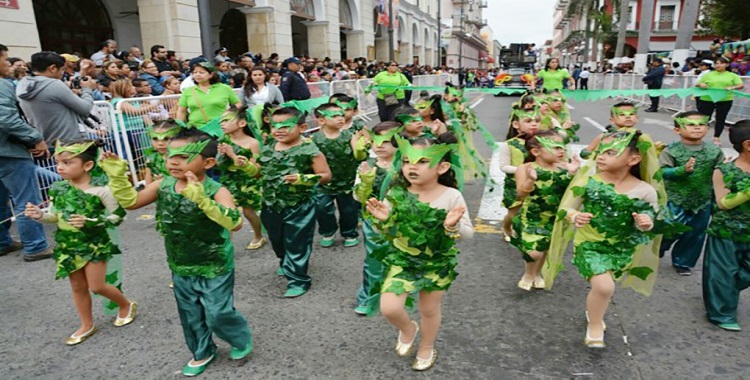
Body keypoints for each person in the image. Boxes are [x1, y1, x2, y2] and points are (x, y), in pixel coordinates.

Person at [100, 129, 254, 376]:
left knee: (217, 312)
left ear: (208, 162)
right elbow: (131, 202)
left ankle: (240, 338)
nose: (173, 161)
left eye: (183, 157)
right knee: (190, 313)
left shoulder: (216, 190)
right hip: (180, 263)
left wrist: (203, 200)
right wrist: (117, 175)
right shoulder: (164, 184)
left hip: (214, 263)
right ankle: (202, 351)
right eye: (171, 155)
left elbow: (234, 222)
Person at [365, 133, 474, 371]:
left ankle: (426, 346)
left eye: (422, 161)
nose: (412, 167)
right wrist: (383, 220)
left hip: (436, 263)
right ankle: (408, 328)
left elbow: (468, 234)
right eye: (406, 160)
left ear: (442, 166)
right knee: (390, 308)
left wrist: (452, 225)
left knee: (429, 309)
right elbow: (386, 231)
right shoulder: (396, 193)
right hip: (403, 260)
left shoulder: (451, 195)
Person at [544, 131, 659, 348]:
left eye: (611, 152)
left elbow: (651, 219)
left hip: (621, 249)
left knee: (604, 288)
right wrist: (575, 216)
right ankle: (595, 324)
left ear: (633, 159)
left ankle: (594, 311)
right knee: (605, 287)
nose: (602, 156)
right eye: (600, 151)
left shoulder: (645, 190)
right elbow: (565, 208)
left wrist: (646, 223)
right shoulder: (588, 181)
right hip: (588, 245)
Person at [24, 140, 136, 345]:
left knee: (97, 285)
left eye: (67, 162)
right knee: (77, 286)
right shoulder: (58, 189)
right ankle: (86, 324)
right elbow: (55, 217)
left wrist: (92, 222)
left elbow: (119, 217)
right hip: (67, 246)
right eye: (58, 162)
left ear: (88, 165)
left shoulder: (101, 190)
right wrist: (39, 215)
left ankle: (126, 304)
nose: (59, 167)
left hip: (94, 244)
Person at [260, 107, 331, 298]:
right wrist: (242, 163)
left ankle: (298, 279)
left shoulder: (309, 149)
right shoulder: (268, 147)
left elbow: (325, 175)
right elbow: (260, 172)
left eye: (286, 125)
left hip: (299, 205)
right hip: (271, 204)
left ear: (302, 127)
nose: (279, 130)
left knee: (297, 242)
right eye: (275, 125)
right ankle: (285, 261)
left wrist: (303, 179)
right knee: (277, 239)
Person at [0, 43, 53, 261]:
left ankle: (3, 241)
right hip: (9, 151)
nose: (8, 64)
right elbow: (6, 118)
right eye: (5, 59)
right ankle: (35, 245)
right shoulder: (2, 85)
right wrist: (35, 137)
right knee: (27, 200)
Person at [658, 111, 724, 276]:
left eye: (701, 124)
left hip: (703, 199)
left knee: (695, 233)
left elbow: (720, 174)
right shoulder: (671, 150)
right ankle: (659, 247)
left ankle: (683, 261)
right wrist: (682, 170)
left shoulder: (714, 151)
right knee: (669, 228)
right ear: (677, 130)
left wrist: (726, 169)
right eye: (691, 125)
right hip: (675, 199)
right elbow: (662, 172)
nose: (697, 128)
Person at [512, 131, 578, 290]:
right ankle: (528, 273)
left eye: (562, 147)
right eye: (556, 147)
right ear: (536, 152)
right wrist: (530, 180)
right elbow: (521, 194)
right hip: (532, 215)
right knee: (533, 251)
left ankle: (537, 273)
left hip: (555, 216)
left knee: (545, 247)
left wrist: (572, 174)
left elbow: (570, 193)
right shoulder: (525, 168)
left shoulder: (563, 167)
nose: (561, 151)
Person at [702, 120, 750, 332]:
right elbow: (722, 203)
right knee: (722, 272)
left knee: (743, 274)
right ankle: (721, 312)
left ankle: (728, 291)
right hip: (727, 230)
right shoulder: (724, 170)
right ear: (748, 145)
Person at [352, 121, 400, 315]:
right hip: (374, 221)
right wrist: (365, 181)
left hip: (403, 220)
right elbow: (358, 197)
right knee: (374, 258)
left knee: (403, 255)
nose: (379, 145)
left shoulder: (408, 164)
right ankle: (369, 296)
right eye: (375, 140)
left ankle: (399, 290)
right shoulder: (366, 165)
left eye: (386, 141)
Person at [312, 103, 368, 248]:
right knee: (322, 208)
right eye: (335, 116)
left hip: (347, 181)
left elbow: (358, 154)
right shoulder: (313, 138)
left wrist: (362, 148)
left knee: (349, 209)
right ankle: (327, 231)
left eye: (341, 115)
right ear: (321, 120)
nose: (340, 119)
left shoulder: (350, 136)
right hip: (323, 182)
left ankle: (349, 233)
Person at [16, 51, 97, 144]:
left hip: (45, 142)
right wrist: (87, 89)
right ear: (53, 68)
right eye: (62, 69)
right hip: (69, 142)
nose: (63, 73)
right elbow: (85, 108)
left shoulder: (22, 85)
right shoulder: (54, 84)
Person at [216, 105, 265, 250]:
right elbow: (218, 165)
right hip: (229, 180)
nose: (222, 124)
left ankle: (258, 235)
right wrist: (221, 155)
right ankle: (226, 244)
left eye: (226, 120)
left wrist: (232, 155)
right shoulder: (224, 139)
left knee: (249, 212)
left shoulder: (252, 143)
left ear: (242, 123)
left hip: (247, 182)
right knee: (227, 212)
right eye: (221, 121)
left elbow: (256, 169)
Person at [499, 103, 541, 242]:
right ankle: (506, 228)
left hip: (537, 183)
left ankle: (528, 234)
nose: (534, 124)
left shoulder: (543, 143)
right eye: (528, 121)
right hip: (514, 184)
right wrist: (522, 171)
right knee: (513, 213)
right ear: (516, 124)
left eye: (537, 121)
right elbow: (504, 166)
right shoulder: (509, 144)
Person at [696, 57, 745, 145]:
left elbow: (741, 85)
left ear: (727, 64)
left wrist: (732, 87)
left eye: (721, 63)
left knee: (720, 118)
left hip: (725, 99)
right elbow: (698, 83)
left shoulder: (732, 75)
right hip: (707, 99)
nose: (718, 65)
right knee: (704, 119)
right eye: (716, 63)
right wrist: (701, 84)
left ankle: (716, 137)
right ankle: (699, 136)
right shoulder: (708, 74)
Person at [176, 62, 241, 128]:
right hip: (196, 129)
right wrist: (180, 127)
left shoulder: (224, 88)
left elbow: (238, 104)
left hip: (220, 127)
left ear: (211, 75)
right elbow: (181, 111)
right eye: (195, 73)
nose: (197, 75)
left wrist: (230, 116)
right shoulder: (188, 91)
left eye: (201, 72)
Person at [143, 119, 181, 184]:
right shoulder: (151, 159)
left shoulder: (182, 158)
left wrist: (163, 180)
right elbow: (148, 184)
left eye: (166, 139)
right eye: (155, 139)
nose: (160, 143)